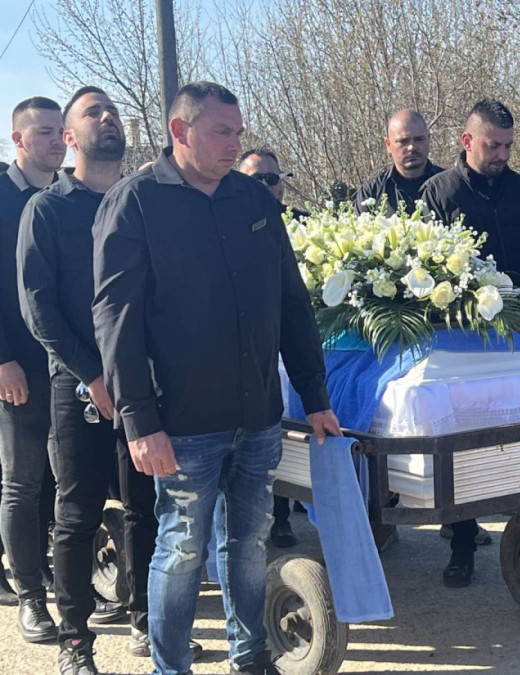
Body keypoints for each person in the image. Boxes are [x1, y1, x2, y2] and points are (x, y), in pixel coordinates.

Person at [92, 81, 340, 675]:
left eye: (238, 132)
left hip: (257, 416)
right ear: (180, 130)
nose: (234, 144)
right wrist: (139, 420)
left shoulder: (253, 200)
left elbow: (290, 302)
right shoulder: (136, 202)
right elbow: (115, 319)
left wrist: (315, 395)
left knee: (248, 543)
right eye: (221, 132)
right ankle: (170, 666)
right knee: (181, 549)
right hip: (180, 424)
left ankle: (249, 657)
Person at [422, 99, 520, 588]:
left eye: (507, 146)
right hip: (464, 339)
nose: (502, 155)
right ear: (467, 141)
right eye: (492, 145)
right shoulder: (439, 192)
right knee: (465, 440)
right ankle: (462, 542)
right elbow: (431, 269)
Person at [17, 86, 128, 674]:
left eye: (112, 111)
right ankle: (75, 643)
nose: (107, 118)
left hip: (142, 384)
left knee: (145, 509)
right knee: (78, 514)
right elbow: (39, 309)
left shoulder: (142, 200)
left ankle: (146, 621)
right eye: (92, 112)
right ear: (69, 137)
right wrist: (92, 374)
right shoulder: (48, 209)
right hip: (78, 385)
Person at [0, 96, 65, 636]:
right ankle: (30, 595)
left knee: (65, 480)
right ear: (18, 139)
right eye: (44, 132)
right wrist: (2, 358)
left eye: (59, 130)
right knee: (22, 481)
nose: (56, 140)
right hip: (18, 363)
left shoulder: (68, 194)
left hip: (70, 363)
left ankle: (65, 578)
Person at [237, 146, 301, 549]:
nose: (264, 185)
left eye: (271, 178)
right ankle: (278, 518)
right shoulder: (229, 226)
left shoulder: (306, 224)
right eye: (254, 179)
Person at [355, 109, 444, 216]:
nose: (412, 147)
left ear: (428, 139)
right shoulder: (371, 193)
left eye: (419, 139)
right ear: (388, 145)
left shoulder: (450, 186)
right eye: (403, 141)